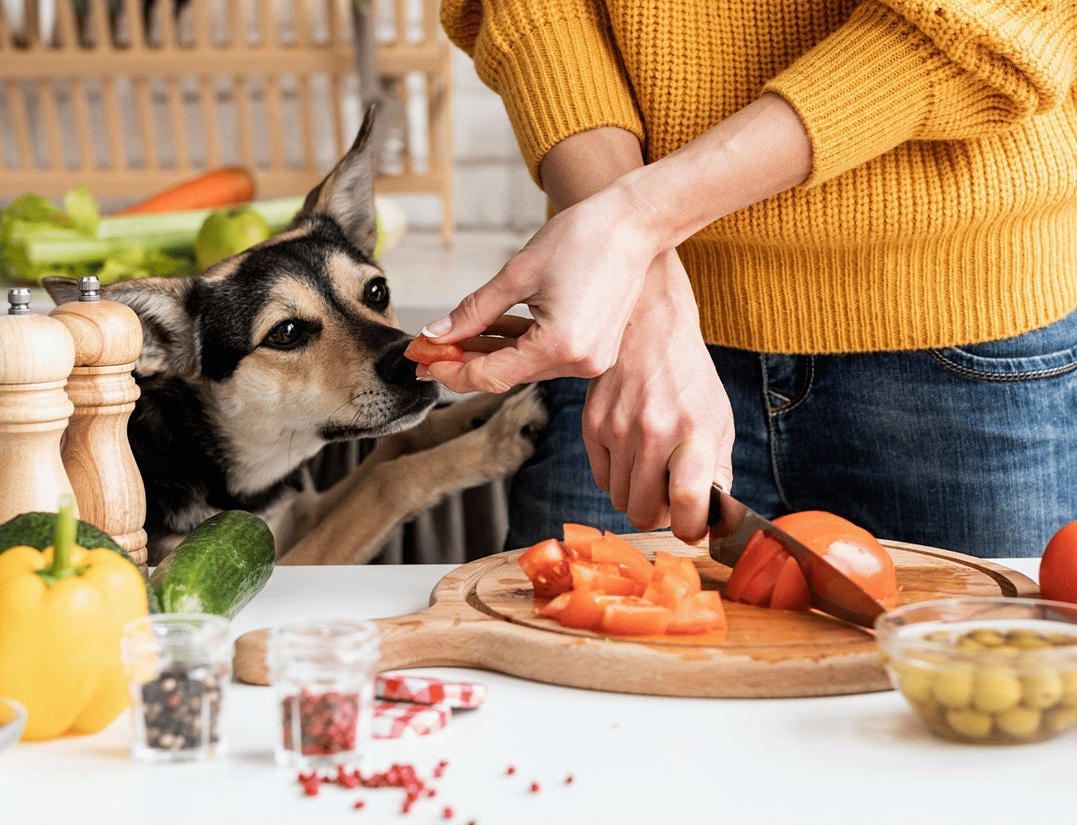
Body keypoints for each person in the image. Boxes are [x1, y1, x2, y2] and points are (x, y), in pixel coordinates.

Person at [418, 0, 1077, 559]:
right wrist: (644, 297)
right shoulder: (636, 299)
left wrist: (638, 222)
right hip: (632, 343)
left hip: (968, 335)